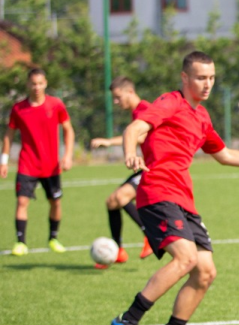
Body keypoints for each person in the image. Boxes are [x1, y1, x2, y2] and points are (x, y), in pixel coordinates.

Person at [110, 51, 239, 325]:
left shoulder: (202, 117)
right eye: (200, 78)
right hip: (158, 192)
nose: (207, 84)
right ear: (185, 78)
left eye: (211, 78)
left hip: (183, 198)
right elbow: (135, 129)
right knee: (186, 259)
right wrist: (131, 152)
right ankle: (128, 320)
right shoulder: (170, 102)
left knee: (205, 271)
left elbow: (225, 155)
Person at [1, 68, 75, 256]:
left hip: (51, 166)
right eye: (33, 83)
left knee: (55, 203)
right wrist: (4, 161)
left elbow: (68, 130)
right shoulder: (18, 109)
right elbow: (9, 135)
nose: (36, 87)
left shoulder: (55, 105)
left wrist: (67, 155)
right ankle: (21, 243)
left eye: (40, 83)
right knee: (22, 201)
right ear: (28, 84)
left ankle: (53, 238)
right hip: (27, 164)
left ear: (45, 83)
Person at [90, 76, 154, 268]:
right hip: (145, 166)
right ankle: (118, 251)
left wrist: (109, 142)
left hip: (154, 167)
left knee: (121, 197)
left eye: (118, 97)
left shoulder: (144, 110)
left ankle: (149, 235)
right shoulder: (137, 112)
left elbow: (140, 137)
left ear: (130, 92)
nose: (116, 102)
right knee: (112, 202)